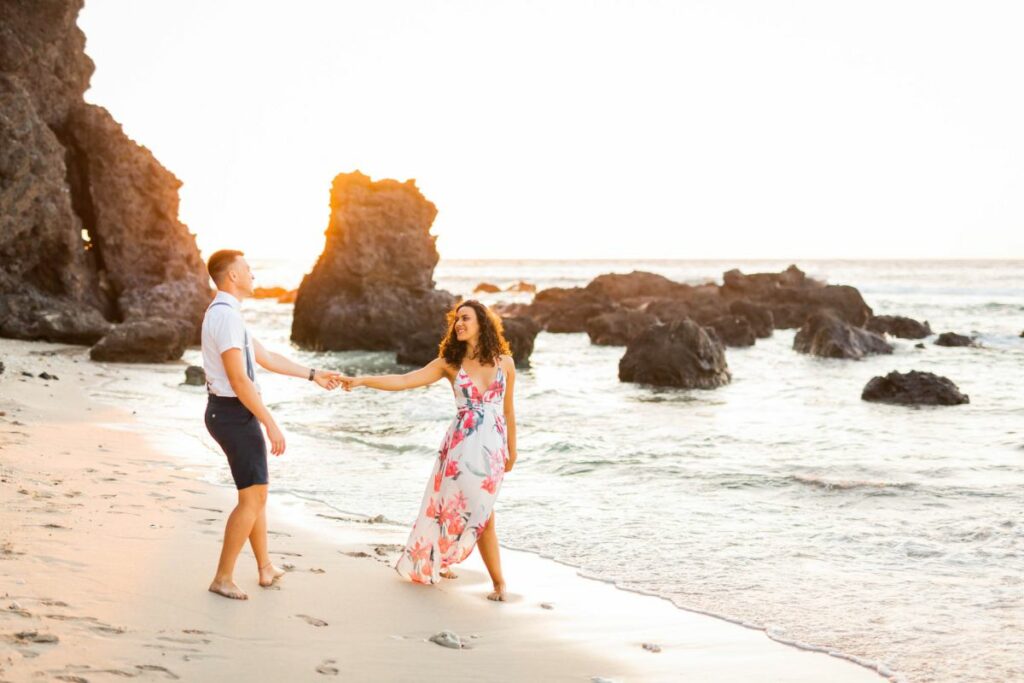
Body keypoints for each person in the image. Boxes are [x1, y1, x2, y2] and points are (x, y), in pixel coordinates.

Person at [340, 299, 517, 601]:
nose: (459, 324)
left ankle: (460, 565)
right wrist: (362, 380)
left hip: (493, 454)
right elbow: (405, 380)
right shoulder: (449, 363)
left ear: (482, 324)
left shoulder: (505, 363)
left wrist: (513, 451)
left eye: (466, 319)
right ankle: (497, 582)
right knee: (465, 511)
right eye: (456, 320)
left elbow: (509, 412)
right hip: (460, 451)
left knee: (477, 511)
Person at [201, 249, 342, 600]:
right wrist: (270, 423)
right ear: (232, 276)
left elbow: (266, 358)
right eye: (247, 269)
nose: (253, 275)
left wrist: (313, 375)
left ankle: (265, 567)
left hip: (230, 413)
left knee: (255, 495)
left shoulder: (226, 313)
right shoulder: (227, 317)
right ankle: (222, 577)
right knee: (252, 498)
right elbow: (239, 379)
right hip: (234, 414)